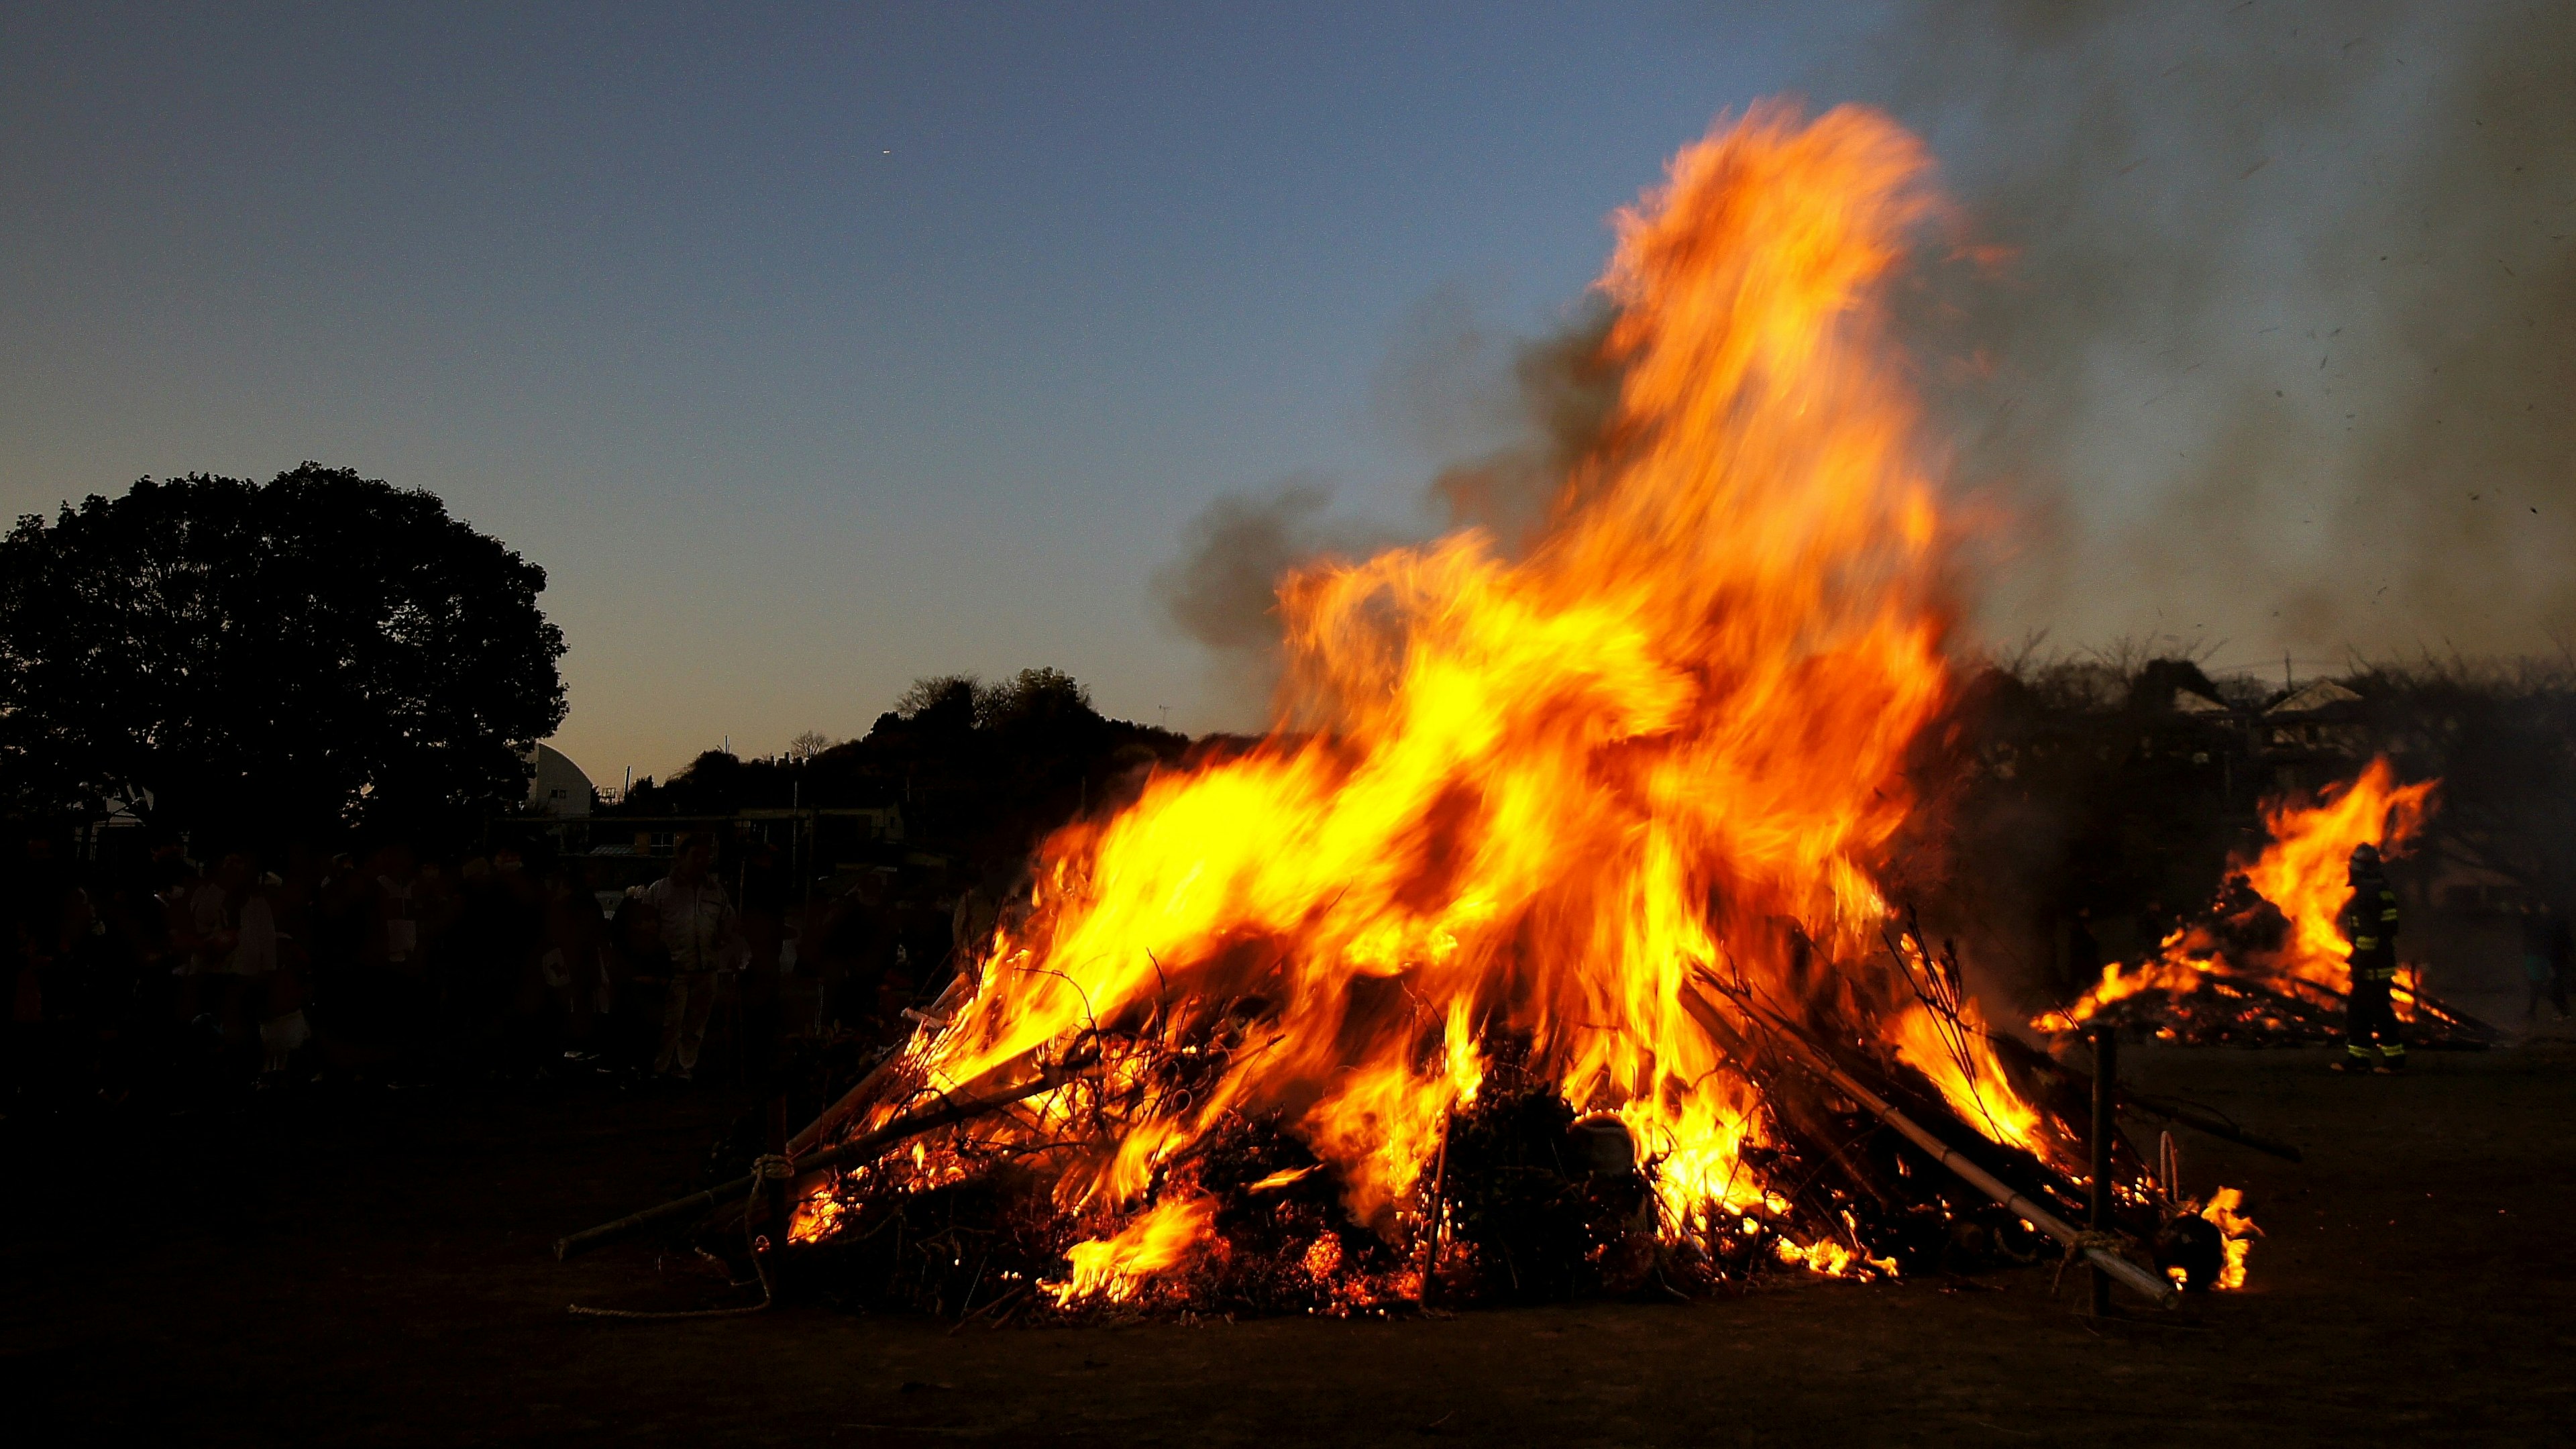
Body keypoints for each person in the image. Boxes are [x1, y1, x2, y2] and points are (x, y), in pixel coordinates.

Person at [641, 834, 743, 1082]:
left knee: (696, 1023)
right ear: (682, 857)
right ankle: (660, 1067)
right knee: (670, 1023)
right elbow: (646, 926)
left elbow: (728, 925)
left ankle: (684, 1068)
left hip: (706, 968)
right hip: (674, 968)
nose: (701, 861)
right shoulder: (661, 890)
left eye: (705, 856)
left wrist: (727, 948)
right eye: (695, 855)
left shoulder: (716, 892)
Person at [2334, 843, 2406, 1073]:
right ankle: (2360, 1059)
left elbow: (2368, 936)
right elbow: (2389, 929)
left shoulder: (2365, 897)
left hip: (2371, 966)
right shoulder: (2383, 892)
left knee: (2376, 1013)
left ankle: (2393, 1061)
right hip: (2382, 963)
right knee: (2361, 1012)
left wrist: (2360, 963)